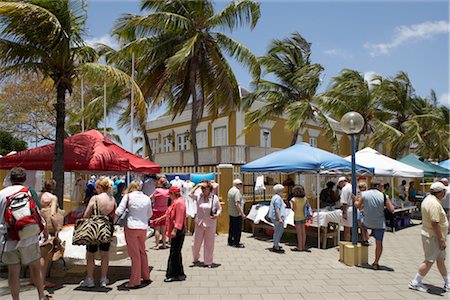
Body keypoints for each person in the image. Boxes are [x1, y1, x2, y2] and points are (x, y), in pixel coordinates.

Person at [0, 167, 49, 300]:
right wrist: (45, 231)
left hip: (9, 238)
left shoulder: (2, 194)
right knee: (35, 267)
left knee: (13, 271)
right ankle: (41, 295)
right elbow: (38, 214)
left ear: (10, 179)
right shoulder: (29, 192)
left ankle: (16, 299)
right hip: (30, 236)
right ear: (25, 179)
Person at [408, 182, 449, 293]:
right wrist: (441, 239)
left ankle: (447, 282)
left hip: (435, 236)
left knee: (440, 260)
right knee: (429, 260)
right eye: (444, 191)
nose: (445, 193)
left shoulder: (429, 199)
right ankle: (415, 282)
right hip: (433, 236)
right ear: (440, 192)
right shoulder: (434, 204)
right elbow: (435, 223)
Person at [80, 178, 116, 288]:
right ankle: (103, 279)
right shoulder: (112, 199)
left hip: (94, 228)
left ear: (99, 187)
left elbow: (86, 214)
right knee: (105, 254)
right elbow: (115, 215)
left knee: (90, 254)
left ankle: (90, 279)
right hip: (107, 228)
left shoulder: (95, 198)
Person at [115, 181, 152, 289]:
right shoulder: (146, 198)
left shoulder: (128, 196)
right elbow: (150, 214)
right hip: (143, 227)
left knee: (134, 255)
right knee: (142, 252)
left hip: (131, 226)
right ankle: (146, 276)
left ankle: (135, 281)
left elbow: (118, 211)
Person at [354, 182, 395, 270]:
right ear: (378, 186)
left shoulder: (364, 194)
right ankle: (376, 263)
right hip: (379, 223)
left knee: (360, 222)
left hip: (367, 221)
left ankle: (365, 238)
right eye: (382, 186)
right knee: (379, 243)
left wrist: (355, 200)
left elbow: (357, 205)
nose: (383, 187)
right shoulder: (384, 196)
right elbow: (392, 209)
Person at [154, 186, 187, 282]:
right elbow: (169, 213)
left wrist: (175, 230)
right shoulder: (176, 202)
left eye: (170, 194)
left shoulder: (179, 203)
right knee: (176, 252)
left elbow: (179, 218)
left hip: (177, 231)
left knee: (174, 253)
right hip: (176, 230)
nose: (169, 196)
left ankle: (172, 274)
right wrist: (160, 218)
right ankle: (179, 272)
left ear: (174, 194)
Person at [189, 180, 222, 268]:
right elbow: (190, 194)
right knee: (195, 243)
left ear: (209, 188)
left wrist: (216, 215)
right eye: (202, 188)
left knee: (209, 244)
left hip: (210, 223)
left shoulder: (214, 198)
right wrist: (197, 185)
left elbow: (219, 208)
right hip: (199, 223)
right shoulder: (199, 196)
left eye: (205, 188)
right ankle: (196, 258)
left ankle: (208, 262)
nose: (203, 189)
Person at [38, 179, 63, 289]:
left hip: (37, 224)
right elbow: (52, 214)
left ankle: (34, 278)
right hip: (48, 227)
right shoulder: (53, 198)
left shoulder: (39, 196)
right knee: (44, 255)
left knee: (37, 254)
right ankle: (42, 281)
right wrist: (57, 227)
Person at [150, 177, 170, 250]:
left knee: (157, 229)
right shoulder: (168, 191)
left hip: (156, 210)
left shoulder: (157, 190)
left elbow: (152, 198)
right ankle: (164, 244)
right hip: (165, 210)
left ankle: (157, 245)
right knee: (164, 229)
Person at [227, 178, 246, 248]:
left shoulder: (230, 190)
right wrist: (242, 213)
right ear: (237, 184)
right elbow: (237, 204)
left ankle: (230, 241)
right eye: (240, 184)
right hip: (237, 214)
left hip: (231, 213)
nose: (241, 185)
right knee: (237, 229)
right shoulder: (237, 192)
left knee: (232, 228)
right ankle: (236, 242)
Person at [290, 185, 308, 252]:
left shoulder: (293, 200)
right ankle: (303, 246)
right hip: (303, 216)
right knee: (303, 232)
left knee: (299, 233)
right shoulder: (305, 199)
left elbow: (294, 209)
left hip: (297, 216)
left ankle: (299, 247)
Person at [268, 184, 286, 253]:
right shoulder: (278, 198)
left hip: (274, 217)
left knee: (277, 231)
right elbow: (277, 209)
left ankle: (276, 244)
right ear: (279, 191)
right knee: (278, 231)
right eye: (282, 190)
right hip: (277, 218)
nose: (283, 192)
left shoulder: (275, 197)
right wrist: (280, 218)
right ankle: (276, 246)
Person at [338, 177, 353, 242]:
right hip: (353, 208)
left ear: (342, 181)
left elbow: (344, 202)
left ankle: (347, 244)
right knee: (352, 228)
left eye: (339, 183)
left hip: (348, 209)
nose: (339, 185)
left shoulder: (345, 189)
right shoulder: (352, 186)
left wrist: (344, 213)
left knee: (347, 229)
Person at [356, 182, 369, 247]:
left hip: (362, 211)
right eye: (359, 187)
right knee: (363, 226)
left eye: (361, 187)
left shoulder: (363, 194)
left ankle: (364, 239)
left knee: (362, 226)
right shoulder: (361, 194)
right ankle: (365, 238)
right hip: (362, 211)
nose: (360, 188)